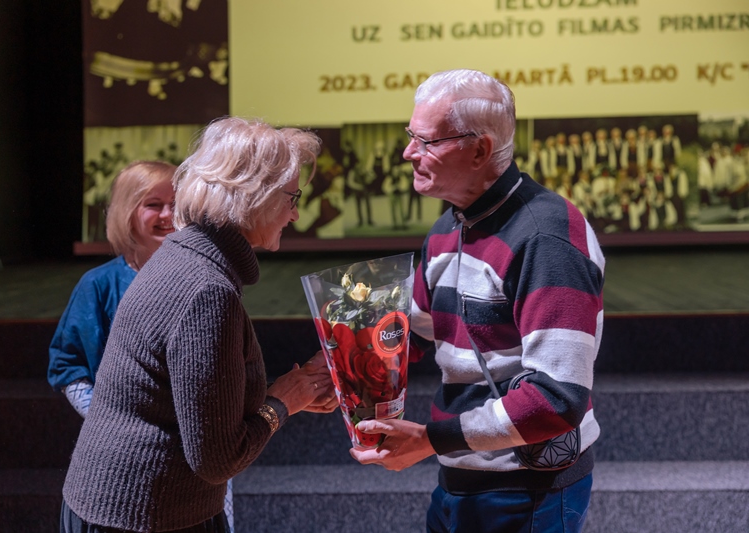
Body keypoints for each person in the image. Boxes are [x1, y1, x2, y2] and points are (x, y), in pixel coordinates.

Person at [350, 69, 605, 533]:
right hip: (459, 476)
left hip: (528, 488)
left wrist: (430, 440)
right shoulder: (447, 228)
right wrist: (342, 366)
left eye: (426, 141)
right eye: (410, 136)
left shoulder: (546, 237)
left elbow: (558, 399)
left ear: (480, 150)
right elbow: (418, 332)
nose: (408, 152)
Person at [59, 117, 337, 533]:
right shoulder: (205, 290)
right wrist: (281, 404)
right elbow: (218, 459)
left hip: (127, 507)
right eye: (291, 197)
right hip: (143, 517)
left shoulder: (183, 257)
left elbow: (192, 398)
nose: (296, 214)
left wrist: (290, 391)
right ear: (255, 196)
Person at [47, 160, 177, 417]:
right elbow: (69, 365)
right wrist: (107, 422)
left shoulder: (201, 277)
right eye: (153, 205)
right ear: (126, 212)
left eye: (175, 204)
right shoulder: (98, 284)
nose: (167, 215)